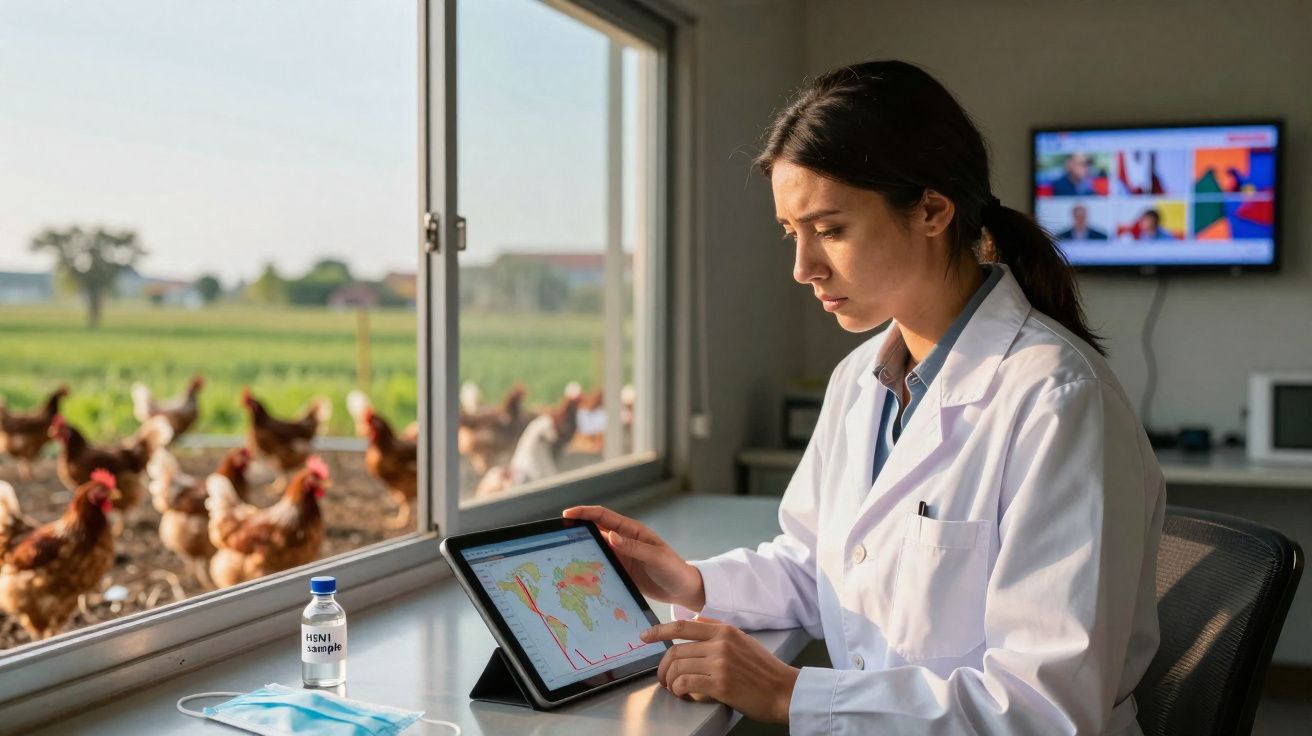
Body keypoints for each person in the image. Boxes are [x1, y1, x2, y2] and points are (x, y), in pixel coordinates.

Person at [565, 60, 1163, 734]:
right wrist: (690, 584)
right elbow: (822, 565)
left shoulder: (1057, 400)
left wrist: (795, 696)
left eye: (829, 230)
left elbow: (1044, 709)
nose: (802, 268)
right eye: (791, 233)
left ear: (933, 210)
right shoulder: (861, 379)